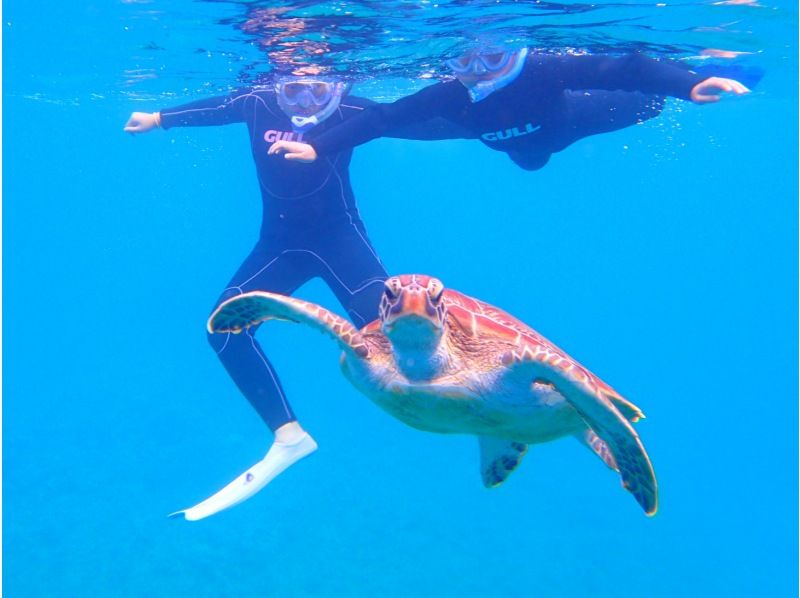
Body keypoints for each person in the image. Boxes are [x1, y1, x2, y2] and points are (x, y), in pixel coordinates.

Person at [124, 77, 467, 521]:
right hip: (279, 247)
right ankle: (288, 438)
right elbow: (221, 108)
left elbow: (413, 122)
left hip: (341, 243)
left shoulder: (352, 111)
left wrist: (482, 121)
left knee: (394, 338)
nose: (305, 101)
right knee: (224, 331)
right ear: (276, 87)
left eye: (318, 91)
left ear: (337, 86)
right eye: (292, 91)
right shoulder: (256, 104)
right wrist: (160, 119)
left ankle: (484, 392)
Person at [266, 48, 752, 170]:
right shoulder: (449, 96)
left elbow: (626, 66)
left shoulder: (543, 69)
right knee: (399, 124)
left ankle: (728, 66)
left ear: (515, 52)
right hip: (475, 131)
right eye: (466, 60)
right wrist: (319, 148)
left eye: (494, 56)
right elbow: (381, 119)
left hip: (569, 123)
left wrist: (689, 83)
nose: (481, 70)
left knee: (651, 105)